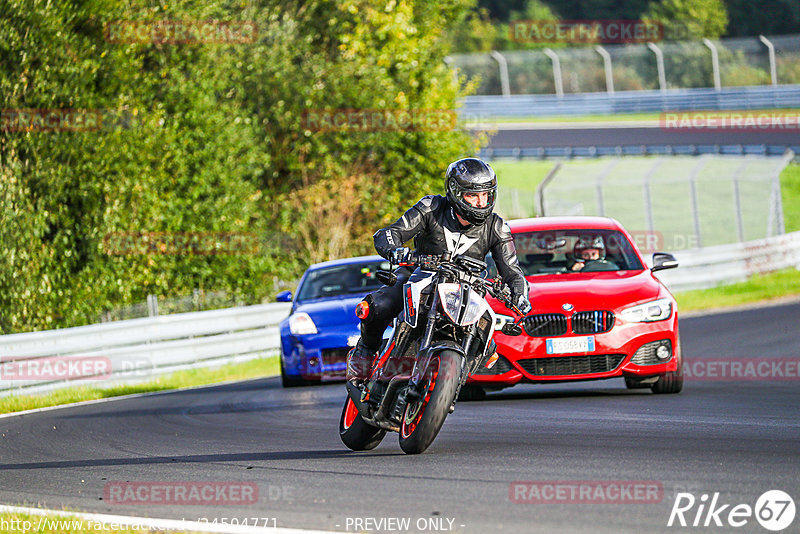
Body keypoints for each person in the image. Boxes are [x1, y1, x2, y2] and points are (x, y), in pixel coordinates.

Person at [347, 157, 531, 384]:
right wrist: (395, 251)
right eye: (473, 195)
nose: (481, 202)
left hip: (468, 290)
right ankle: (364, 351)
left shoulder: (497, 226)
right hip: (419, 275)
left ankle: (453, 378)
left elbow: (513, 271)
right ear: (455, 192)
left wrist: (520, 294)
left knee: (488, 339)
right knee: (378, 305)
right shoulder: (431, 207)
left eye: (486, 195)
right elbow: (389, 233)